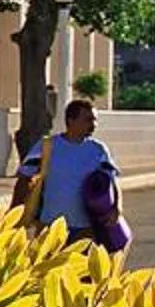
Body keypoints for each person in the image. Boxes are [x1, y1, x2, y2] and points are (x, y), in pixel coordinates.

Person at [17, 98, 124, 249]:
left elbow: (112, 180)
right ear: (71, 120)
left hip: (85, 228)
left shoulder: (98, 150)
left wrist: (117, 208)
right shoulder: (47, 146)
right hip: (50, 226)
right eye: (88, 119)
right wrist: (16, 213)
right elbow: (24, 177)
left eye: (95, 120)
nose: (93, 124)